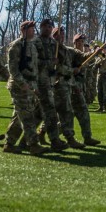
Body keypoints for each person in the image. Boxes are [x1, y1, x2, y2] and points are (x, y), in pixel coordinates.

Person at [3, 21, 49, 155]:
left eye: (34, 29)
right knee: (27, 116)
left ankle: (9, 144)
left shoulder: (32, 45)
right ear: (24, 30)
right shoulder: (16, 46)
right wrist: (22, 83)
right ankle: (33, 145)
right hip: (19, 87)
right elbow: (13, 69)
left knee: (19, 117)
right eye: (31, 29)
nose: (34, 31)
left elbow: (34, 66)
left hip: (30, 86)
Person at [33, 19, 68, 151]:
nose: (47, 29)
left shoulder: (54, 44)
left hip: (49, 82)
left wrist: (60, 48)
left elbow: (61, 61)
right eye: (45, 27)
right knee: (49, 113)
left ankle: (26, 141)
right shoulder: (35, 43)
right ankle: (54, 140)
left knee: (38, 113)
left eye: (49, 27)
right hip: (38, 82)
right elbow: (34, 61)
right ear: (41, 28)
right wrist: (49, 62)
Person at [51, 27, 87, 149]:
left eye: (63, 35)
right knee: (58, 113)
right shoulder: (51, 49)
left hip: (66, 85)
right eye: (58, 35)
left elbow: (82, 56)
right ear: (54, 36)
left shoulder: (67, 50)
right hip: (55, 85)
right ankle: (31, 139)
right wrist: (73, 70)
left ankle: (68, 138)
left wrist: (96, 52)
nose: (61, 37)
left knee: (65, 112)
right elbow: (58, 68)